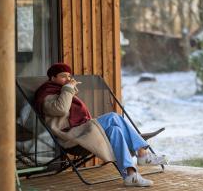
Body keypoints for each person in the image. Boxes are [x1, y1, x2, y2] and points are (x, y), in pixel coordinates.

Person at [34, 63, 167, 187]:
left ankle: (131, 176)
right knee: (113, 117)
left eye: (69, 76)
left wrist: (67, 89)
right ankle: (142, 153)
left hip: (83, 130)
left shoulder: (62, 91)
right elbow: (61, 109)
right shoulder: (45, 95)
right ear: (52, 78)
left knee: (115, 130)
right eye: (63, 76)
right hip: (70, 135)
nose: (68, 79)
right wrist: (68, 88)